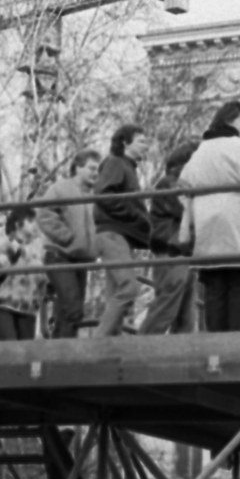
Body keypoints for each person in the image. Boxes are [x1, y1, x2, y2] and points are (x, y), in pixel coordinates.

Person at [180, 100, 240, 332]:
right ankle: (237, 349)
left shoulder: (200, 151)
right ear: (230, 120)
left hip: (206, 223)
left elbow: (185, 183)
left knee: (215, 288)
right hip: (237, 220)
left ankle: (216, 348)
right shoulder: (239, 146)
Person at [92, 125, 153, 336]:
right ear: (125, 143)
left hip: (121, 235)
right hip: (112, 233)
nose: (147, 145)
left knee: (116, 292)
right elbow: (105, 195)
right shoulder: (115, 162)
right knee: (129, 287)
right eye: (142, 141)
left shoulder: (127, 167)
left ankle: (112, 343)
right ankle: (98, 342)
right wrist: (137, 216)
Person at [34, 150, 100, 338]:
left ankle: (60, 359)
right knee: (72, 308)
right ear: (78, 168)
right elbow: (44, 215)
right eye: (91, 168)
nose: (96, 173)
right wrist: (66, 236)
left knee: (72, 312)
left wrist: (98, 246)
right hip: (59, 255)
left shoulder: (95, 195)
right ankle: (61, 356)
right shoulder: (61, 188)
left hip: (82, 259)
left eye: (98, 169)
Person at [139, 140, 201, 335]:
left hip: (182, 253)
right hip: (170, 252)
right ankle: (141, 349)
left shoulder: (182, 183)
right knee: (166, 309)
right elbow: (184, 209)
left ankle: (180, 359)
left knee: (186, 316)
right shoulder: (171, 183)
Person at [0, 207, 46, 341]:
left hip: (28, 307)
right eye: (30, 220)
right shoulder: (4, 244)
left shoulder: (38, 248)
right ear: (18, 223)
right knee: (10, 347)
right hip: (5, 303)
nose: (35, 224)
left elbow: (42, 278)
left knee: (25, 353)